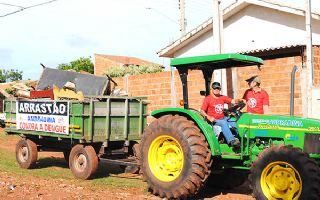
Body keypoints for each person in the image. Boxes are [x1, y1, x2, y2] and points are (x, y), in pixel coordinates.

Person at [201, 82, 241, 147]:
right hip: (214, 120)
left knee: (234, 122)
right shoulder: (208, 99)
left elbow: (233, 101)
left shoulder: (222, 97)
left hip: (223, 118)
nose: (216, 89)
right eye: (215, 88)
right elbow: (202, 111)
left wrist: (240, 100)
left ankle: (240, 138)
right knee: (223, 123)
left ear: (220, 89)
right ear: (212, 89)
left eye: (218, 88)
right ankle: (231, 141)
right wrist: (209, 117)